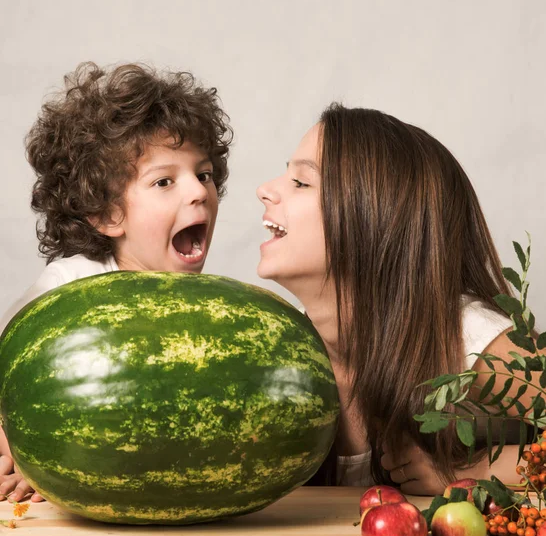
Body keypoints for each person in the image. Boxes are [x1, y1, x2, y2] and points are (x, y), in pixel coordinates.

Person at [257, 104, 537, 495]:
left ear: (372, 217)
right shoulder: (278, 349)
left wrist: (471, 471)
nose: (265, 190)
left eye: (301, 183)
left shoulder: (467, 336)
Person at [0, 61, 232, 502]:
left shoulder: (212, 309)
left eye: (203, 174)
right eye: (165, 181)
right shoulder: (69, 289)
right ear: (107, 214)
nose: (199, 191)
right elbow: (7, 384)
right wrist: (27, 459)